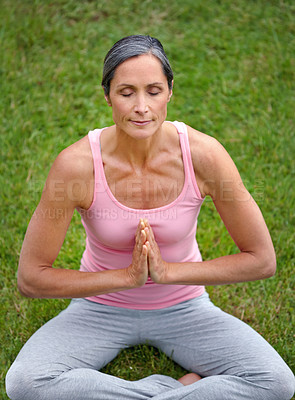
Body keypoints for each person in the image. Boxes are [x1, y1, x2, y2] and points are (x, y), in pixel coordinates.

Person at [5, 35, 294, 400]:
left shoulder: (204, 156)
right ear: (107, 95)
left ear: (170, 91)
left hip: (185, 307)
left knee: (276, 382)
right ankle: (169, 391)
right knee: (25, 382)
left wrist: (168, 273)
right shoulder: (76, 166)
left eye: (153, 91)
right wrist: (126, 277)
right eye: (126, 92)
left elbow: (262, 260)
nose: (141, 107)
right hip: (100, 306)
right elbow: (31, 278)